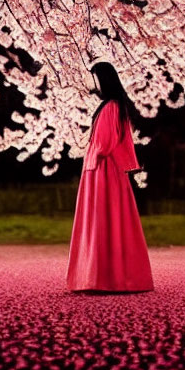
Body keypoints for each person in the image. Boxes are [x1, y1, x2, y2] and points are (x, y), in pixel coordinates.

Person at [67, 62, 154, 292]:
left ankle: (102, 278)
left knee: (104, 221)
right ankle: (103, 277)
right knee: (108, 222)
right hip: (104, 170)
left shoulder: (111, 107)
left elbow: (104, 144)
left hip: (104, 171)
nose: (93, 84)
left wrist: (90, 151)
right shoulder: (114, 106)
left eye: (95, 78)